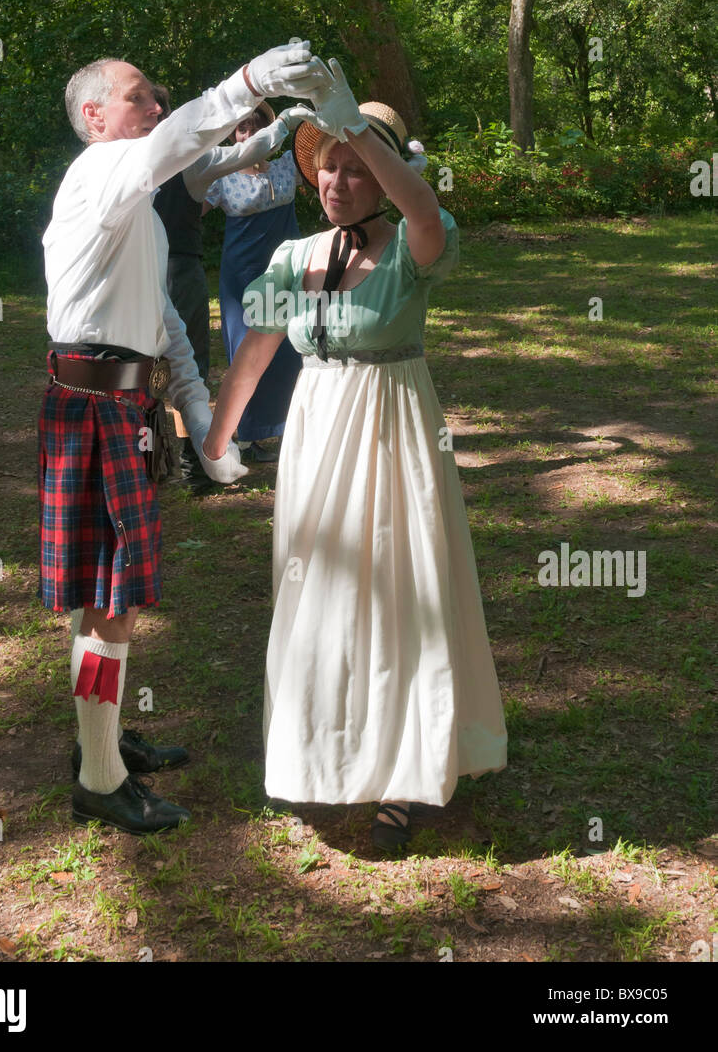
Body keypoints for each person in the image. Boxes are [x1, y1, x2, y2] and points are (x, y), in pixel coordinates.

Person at [203, 60, 507, 853]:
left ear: (382, 172)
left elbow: (422, 204)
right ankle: (321, 756)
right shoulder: (291, 257)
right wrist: (215, 437)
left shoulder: (415, 245)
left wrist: (359, 127)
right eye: (326, 163)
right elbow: (256, 353)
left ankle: (404, 775)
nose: (337, 178)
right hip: (317, 434)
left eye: (354, 164)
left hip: (395, 429)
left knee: (400, 590)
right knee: (320, 597)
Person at [39, 43, 325, 836]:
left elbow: (165, 322)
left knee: (101, 597)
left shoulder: (138, 211)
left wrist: (201, 419)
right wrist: (249, 85)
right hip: (94, 404)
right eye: (139, 97)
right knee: (112, 601)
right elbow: (178, 142)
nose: (154, 108)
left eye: (156, 97)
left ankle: (100, 743)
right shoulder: (101, 172)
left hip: (120, 407)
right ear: (95, 117)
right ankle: (99, 777)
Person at [153, 90, 292, 490]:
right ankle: (173, 460)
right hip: (183, 269)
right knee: (159, 361)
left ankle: (187, 463)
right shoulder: (196, 166)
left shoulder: (195, 163)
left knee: (184, 362)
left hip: (190, 265)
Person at [202, 102, 304, 461]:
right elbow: (182, 212)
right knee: (247, 351)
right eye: (242, 129)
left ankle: (292, 427)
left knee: (291, 349)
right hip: (242, 277)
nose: (248, 136)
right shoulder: (220, 177)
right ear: (233, 134)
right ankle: (245, 437)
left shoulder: (290, 166)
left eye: (257, 128)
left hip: (286, 273)